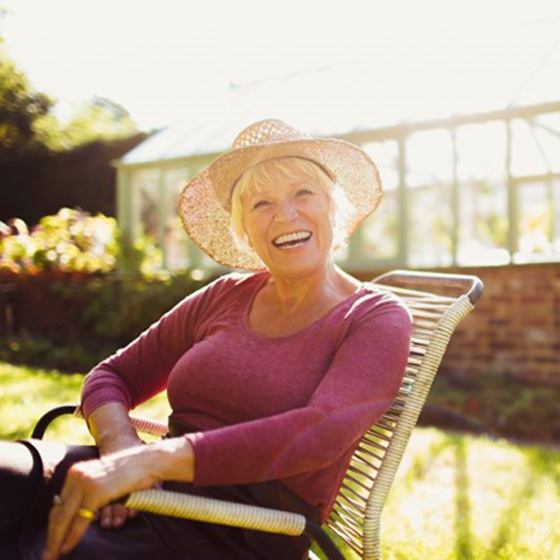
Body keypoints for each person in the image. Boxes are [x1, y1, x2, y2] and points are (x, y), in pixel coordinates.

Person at [0, 119, 412, 560]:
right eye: (261, 203)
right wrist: (120, 450)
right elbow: (112, 375)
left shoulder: (376, 318)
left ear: (336, 209)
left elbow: (320, 433)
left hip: (237, 530)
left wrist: (146, 463)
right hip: (151, 487)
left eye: (303, 193)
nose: (285, 214)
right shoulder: (226, 294)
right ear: (245, 230)